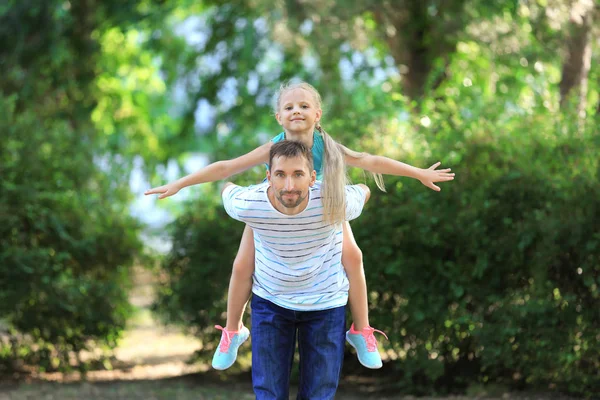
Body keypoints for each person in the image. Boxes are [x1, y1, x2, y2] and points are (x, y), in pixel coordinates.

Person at [145, 81, 455, 370]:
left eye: (304, 106)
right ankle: (233, 330)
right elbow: (227, 167)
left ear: (317, 115)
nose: (297, 110)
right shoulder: (272, 148)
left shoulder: (328, 146)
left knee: (354, 257)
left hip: (322, 215)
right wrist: (180, 184)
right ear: (279, 116)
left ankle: (361, 330)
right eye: (290, 106)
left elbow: (369, 160)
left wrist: (418, 173)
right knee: (242, 265)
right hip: (277, 215)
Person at [222, 139, 370, 399]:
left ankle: (363, 330)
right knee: (269, 393)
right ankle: (231, 331)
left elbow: (363, 189)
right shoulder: (249, 203)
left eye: (298, 174)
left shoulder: (334, 200)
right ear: (268, 177)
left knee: (319, 394)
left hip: (326, 303)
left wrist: (354, 192)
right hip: (271, 302)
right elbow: (227, 187)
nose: (289, 186)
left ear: (313, 177)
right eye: (280, 175)